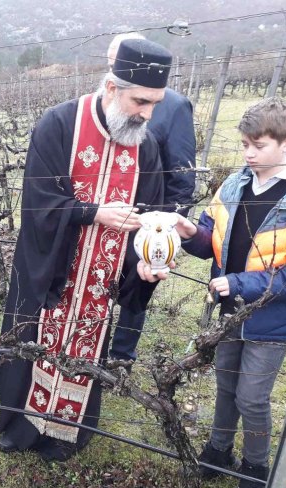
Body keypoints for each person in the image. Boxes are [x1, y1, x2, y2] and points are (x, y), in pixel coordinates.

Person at [139, 97, 286, 488]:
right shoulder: (234, 184)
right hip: (229, 309)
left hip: (271, 319)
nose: (248, 154)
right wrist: (191, 232)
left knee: (252, 398)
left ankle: (255, 468)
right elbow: (215, 241)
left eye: (258, 146)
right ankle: (218, 450)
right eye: (245, 145)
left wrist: (243, 284)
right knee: (226, 386)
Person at [0, 38, 170, 461]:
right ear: (111, 88)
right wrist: (94, 213)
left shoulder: (147, 145)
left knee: (87, 346)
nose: (146, 113)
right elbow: (38, 204)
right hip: (51, 269)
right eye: (139, 101)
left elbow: (150, 215)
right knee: (33, 343)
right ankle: (21, 427)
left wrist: (147, 260)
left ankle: (66, 432)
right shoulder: (59, 124)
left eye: (154, 104)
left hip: (101, 280)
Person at [106, 33, 196, 367]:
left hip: (148, 220)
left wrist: (167, 229)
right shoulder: (107, 101)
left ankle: (121, 355)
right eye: (111, 62)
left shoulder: (173, 106)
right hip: (105, 219)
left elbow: (182, 172)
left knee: (138, 288)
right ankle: (93, 346)